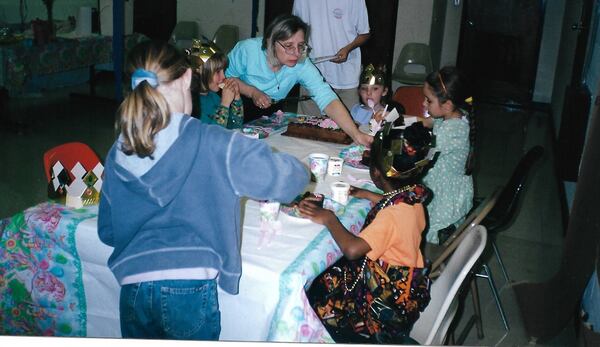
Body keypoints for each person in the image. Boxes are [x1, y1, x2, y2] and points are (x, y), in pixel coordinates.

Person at [97, 40, 309, 340]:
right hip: (189, 288)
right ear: (187, 78)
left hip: (133, 288)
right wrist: (303, 169)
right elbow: (288, 182)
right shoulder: (215, 143)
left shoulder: (119, 150)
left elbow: (107, 231)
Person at [299, 121, 434, 343]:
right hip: (405, 288)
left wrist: (329, 218)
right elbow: (395, 208)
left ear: (376, 172)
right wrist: (368, 195)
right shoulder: (413, 199)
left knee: (318, 289)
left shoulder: (391, 217)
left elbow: (352, 250)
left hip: (384, 305)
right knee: (332, 272)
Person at [225, 13, 372, 146]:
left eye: (301, 46)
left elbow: (327, 97)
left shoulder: (301, 63)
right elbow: (224, 78)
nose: (296, 53)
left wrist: (357, 135)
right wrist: (252, 92)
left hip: (271, 110)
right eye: (289, 46)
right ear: (271, 41)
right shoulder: (247, 50)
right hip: (237, 104)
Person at [411, 66, 475, 244]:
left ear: (447, 105)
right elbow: (425, 122)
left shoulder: (454, 130)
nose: (424, 104)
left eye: (428, 100)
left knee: (422, 227)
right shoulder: (450, 116)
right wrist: (395, 118)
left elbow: (421, 154)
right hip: (442, 187)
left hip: (445, 198)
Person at [292, 0, 371, 115]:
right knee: (307, 127)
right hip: (311, 74)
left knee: (347, 129)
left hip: (346, 76)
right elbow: (294, 29)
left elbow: (364, 33)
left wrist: (348, 48)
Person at [186, 39, 243, 129]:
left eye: (223, 71)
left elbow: (235, 126)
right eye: (217, 72)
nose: (223, 76)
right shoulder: (192, 104)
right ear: (201, 72)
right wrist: (224, 105)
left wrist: (236, 98)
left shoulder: (214, 97)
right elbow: (214, 134)